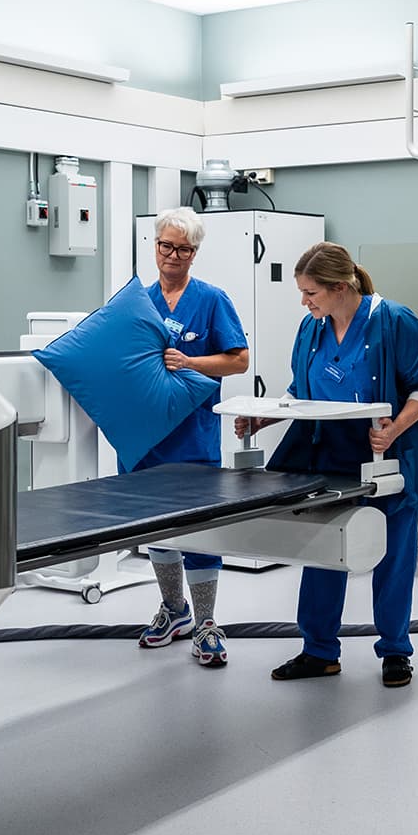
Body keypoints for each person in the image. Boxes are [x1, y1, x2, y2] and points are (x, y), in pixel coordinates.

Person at [234, 243, 418, 688]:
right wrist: (264, 415)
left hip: (388, 455)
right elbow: (301, 392)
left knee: (394, 555)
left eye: (311, 293)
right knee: (325, 549)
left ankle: (395, 651)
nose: (304, 302)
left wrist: (393, 430)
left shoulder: (395, 321)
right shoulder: (312, 329)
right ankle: (320, 650)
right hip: (328, 456)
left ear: (340, 287)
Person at [131, 207, 250, 667]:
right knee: (156, 530)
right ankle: (174, 610)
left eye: (183, 248)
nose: (173, 255)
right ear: (155, 246)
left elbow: (238, 360)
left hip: (194, 435)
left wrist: (192, 362)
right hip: (147, 439)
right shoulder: (138, 302)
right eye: (166, 246)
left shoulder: (211, 300)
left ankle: (205, 624)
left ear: (195, 252)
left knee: (200, 530)